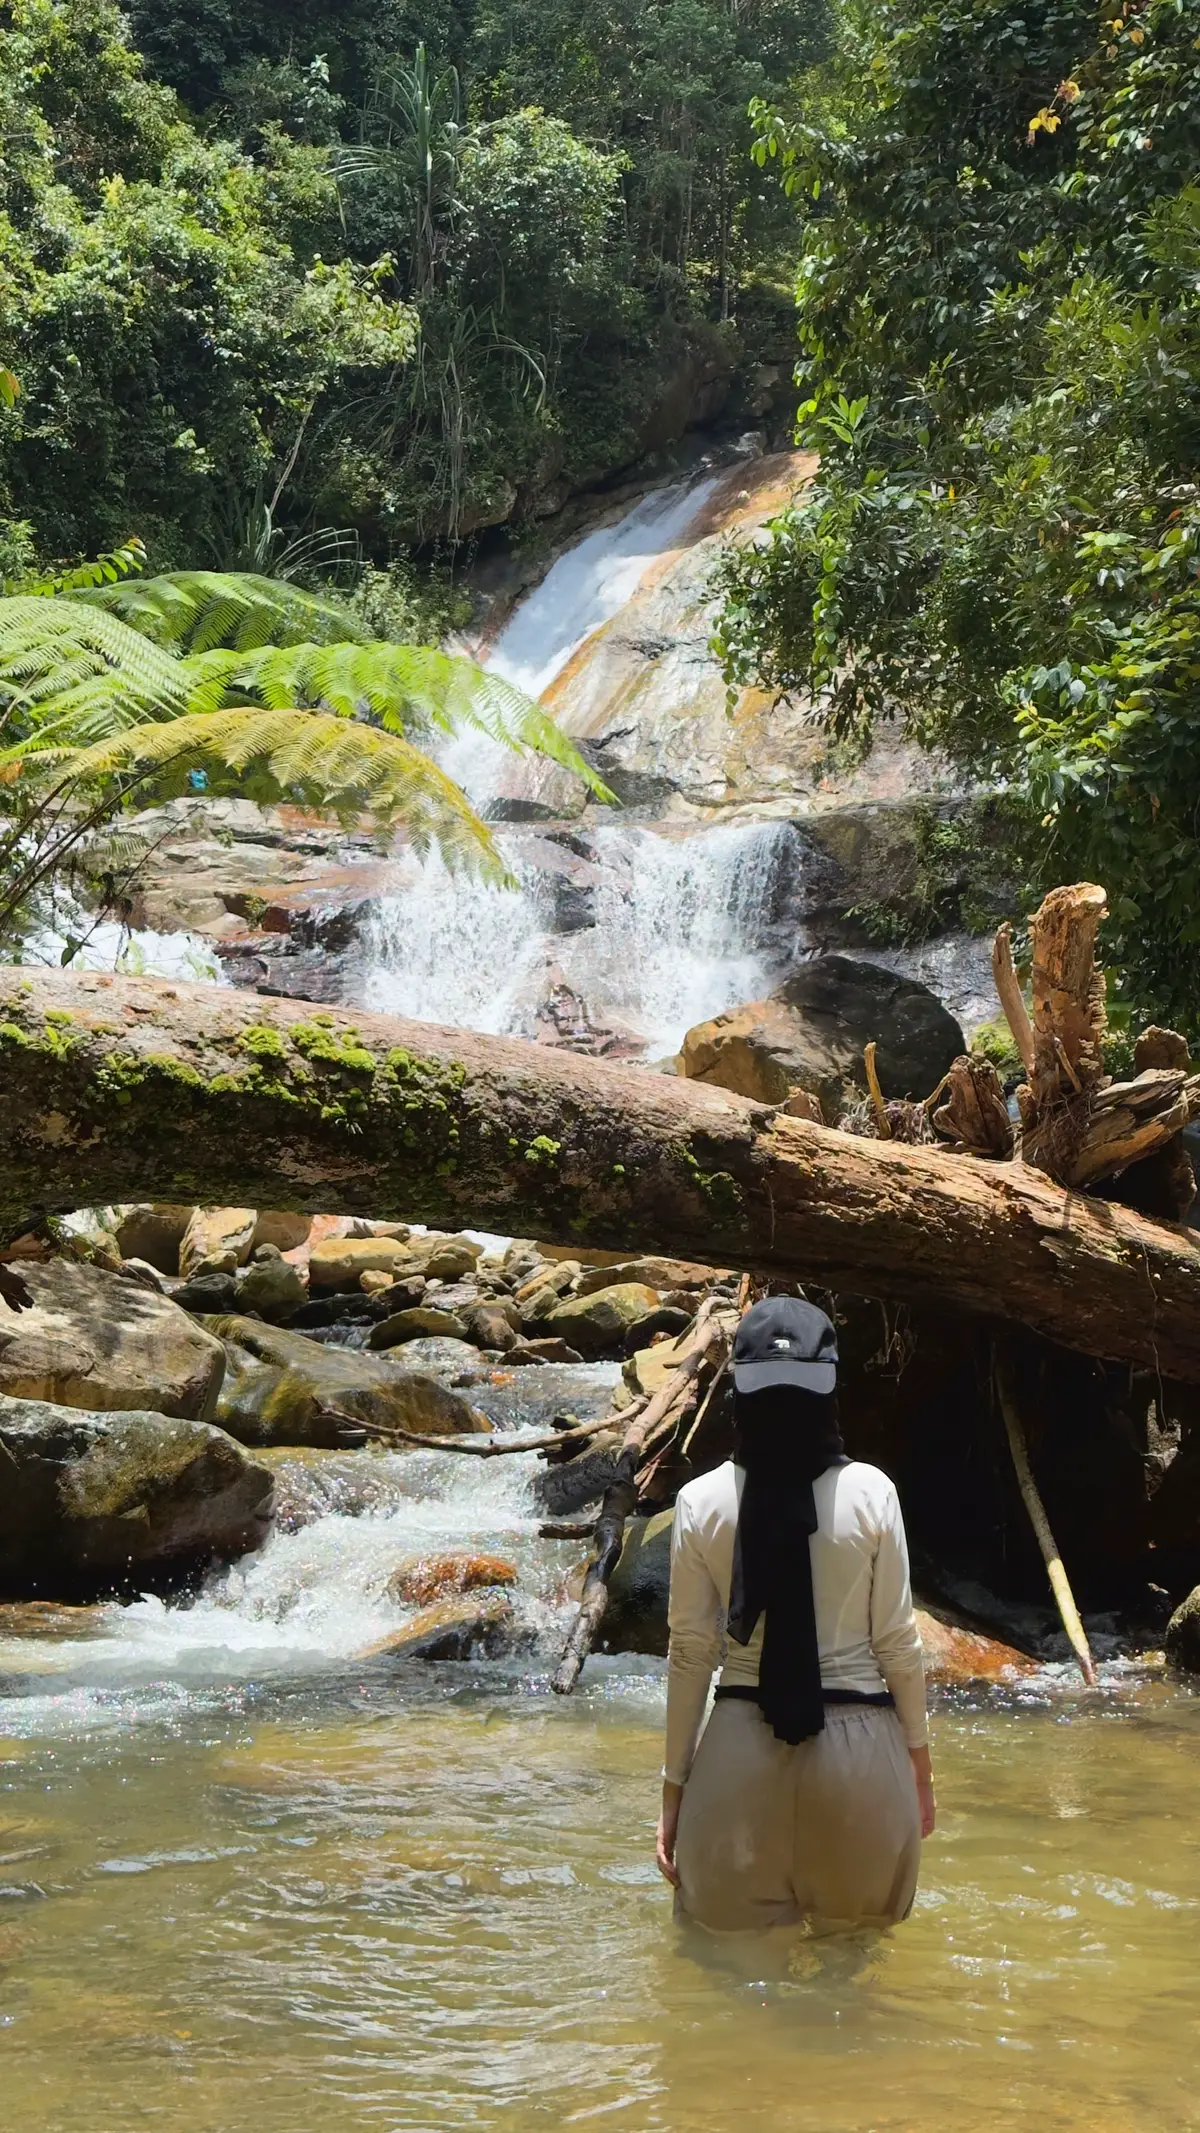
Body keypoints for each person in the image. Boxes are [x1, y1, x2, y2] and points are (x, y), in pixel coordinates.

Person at [656, 1294, 934, 1934]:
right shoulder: (873, 1492)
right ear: (830, 1386)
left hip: (737, 1755)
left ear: (740, 1391)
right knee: (853, 1990)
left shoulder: (698, 1502)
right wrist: (918, 1765)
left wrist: (674, 1789)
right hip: (861, 1755)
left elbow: (692, 1655)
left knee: (729, 1991)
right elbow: (898, 1643)